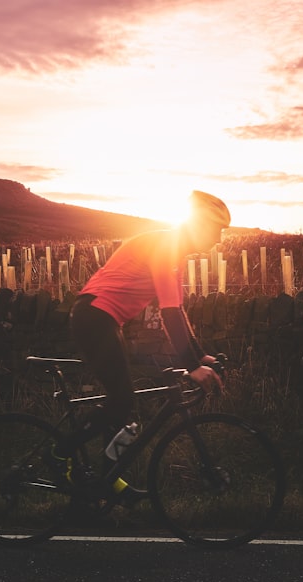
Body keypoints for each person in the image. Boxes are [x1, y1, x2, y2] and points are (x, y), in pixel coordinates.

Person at [46, 190, 231, 499]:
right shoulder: (164, 247)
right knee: (122, 401)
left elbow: (178, 311)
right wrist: (192, 367)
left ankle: (108, 480)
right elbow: (170, 314)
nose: (219, 239)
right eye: (216, 229)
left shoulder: (174, 253)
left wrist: (201, 357)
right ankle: (59, 452)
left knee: (121, 405)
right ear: (197, 225)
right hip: (95, 317)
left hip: (105, 319)